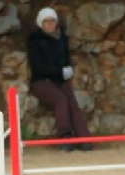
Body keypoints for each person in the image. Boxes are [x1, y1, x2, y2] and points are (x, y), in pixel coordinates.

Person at [27, 7, 92, 152]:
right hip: (41, 81)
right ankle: (65, 137)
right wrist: (59, 71)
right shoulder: (35, 40)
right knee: (60, 99)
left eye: (52, 21)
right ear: (41, 23)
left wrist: (67, 69)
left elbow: (65, 59)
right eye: (46, 22)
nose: (50, 25)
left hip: (59, 80)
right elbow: (37, 67)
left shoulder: (61, 38)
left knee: (71, 101)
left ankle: (85, 138)